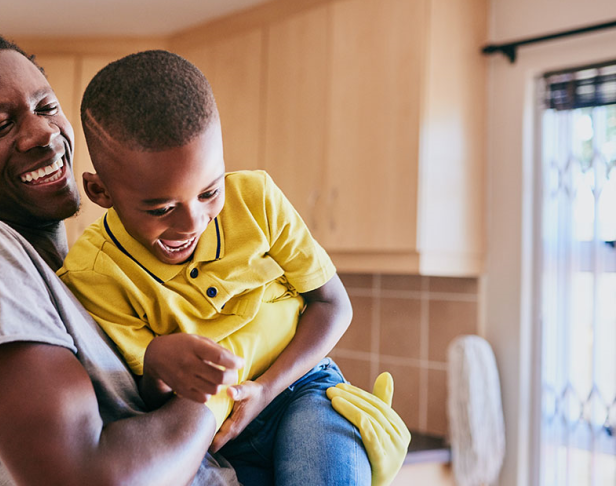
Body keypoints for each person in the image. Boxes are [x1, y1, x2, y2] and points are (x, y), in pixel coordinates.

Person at [0, 27, 409, 486]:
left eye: (46, 106)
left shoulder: (71, 272)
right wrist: (240, 358)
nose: (40, 134)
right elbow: (87, 478)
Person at [58, 50, 395, 485]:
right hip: (214, 438)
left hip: (303, 391)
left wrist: (265, 389)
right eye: (161, 208)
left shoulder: (256, 199)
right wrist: (157, 363)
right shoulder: (94, 272)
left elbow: (332, 304)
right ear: (99, 191)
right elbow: (138, 402)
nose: (192, 223)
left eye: (209, 192)